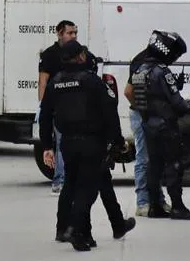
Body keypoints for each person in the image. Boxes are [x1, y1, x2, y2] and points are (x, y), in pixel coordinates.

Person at [39, 40, 128, 251]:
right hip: (91, 142)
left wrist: (47, 145)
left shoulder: (56, 82)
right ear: (80, 56)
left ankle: (71, 229)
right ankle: (76, 230)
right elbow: (109, 113)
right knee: (87, 189)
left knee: (70, 183)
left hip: (67, 142)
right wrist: (117, 141)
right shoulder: (92, 81)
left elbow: (45, 115)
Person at [131, 30, 190, 220]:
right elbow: (178, 103)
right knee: (174, 165)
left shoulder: (140, 70)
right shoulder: (162, 71)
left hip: (148, 125)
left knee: (154, 166)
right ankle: (178, 207)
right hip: (165, 126)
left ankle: (155, 206)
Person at [124, 48, 170, 217]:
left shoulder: (150, 60)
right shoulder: (142, 62)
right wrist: (143, 109)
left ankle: (157, 200)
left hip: (148, 114)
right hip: (142, 114)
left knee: (154, 160)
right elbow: (128, 92)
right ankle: (143, 202)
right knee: (144, 159)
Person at [38, 20, 78, 195]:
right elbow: (43, 81)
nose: (73, 36)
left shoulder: (78, 52)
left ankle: (70, 179)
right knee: (62, 143)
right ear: (59, 33)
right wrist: (43, 106)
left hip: (76, 105)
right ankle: (60, 181)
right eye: (70, 33)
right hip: (57, 106)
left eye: (75, 32)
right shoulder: (50, 54)